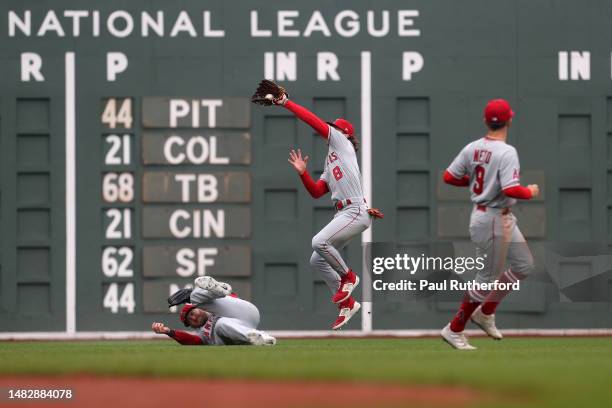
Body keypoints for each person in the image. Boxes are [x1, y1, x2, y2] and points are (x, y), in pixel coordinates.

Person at [270, 90, 383, 330]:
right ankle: (348, 304)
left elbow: (313, 120)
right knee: (317, 259)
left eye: (334, 128)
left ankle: (348, 277)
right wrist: (302, 173)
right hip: (345, 212)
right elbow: (316, 192)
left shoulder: (343, 143)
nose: (329, 129)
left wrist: (287, 103)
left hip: (354, 210)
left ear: (344, 134)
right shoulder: (331, 160)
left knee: (318, 241)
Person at [440, 99, 539, 350]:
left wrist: (476, 183)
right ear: (509, 120)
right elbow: (511, 189)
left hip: (498, 215)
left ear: (486, 121)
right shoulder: (507, 151)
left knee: (524, 265)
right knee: (486, 278)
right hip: (492, 217)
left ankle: (485, 313)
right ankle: (454, 329)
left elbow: (449, 176)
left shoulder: (472, 148)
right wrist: (530, 191)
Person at [152, 276, 276, 346]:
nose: (193, 318)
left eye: (192, 313)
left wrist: (226, 295)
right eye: (190, 320)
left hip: (247, 313)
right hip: (239, 335)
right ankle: (261, 338)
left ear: (198, 309)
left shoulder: (211, 306)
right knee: (220, 325)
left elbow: (233, 300)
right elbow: (190, 340)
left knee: (204, 299)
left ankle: (215, 291)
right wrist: (169, 332)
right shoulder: (202, 334)